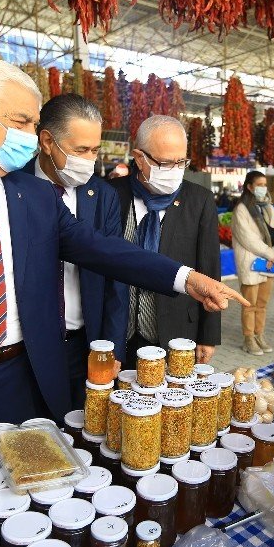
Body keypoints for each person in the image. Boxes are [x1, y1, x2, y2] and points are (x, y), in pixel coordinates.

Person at [0, 58, 246, 446]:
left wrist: (184, 278)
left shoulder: (34, 195)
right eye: (21, 121)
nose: (29, 134)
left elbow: (101, 249)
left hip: (25, 378)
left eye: (33, 123)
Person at [26, 93, 128, 410]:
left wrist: (110, 350)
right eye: (80, 149)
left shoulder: (103, 197)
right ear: (46, 141)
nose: (89, 159)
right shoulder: (14, 185)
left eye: (94, 150)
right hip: (27, 349)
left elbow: (116, 277)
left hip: (84, 343)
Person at [109, 115, 222, 368]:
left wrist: (209, 337)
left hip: (176, 331)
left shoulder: (199, 200)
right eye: (165, 163)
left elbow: (210, 269)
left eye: (181, 162)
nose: (174, 171)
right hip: (120, 334)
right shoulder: (112, 194)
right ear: (139, 158)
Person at [231, 171, 274, 355]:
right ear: (249, 187)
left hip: (268, 263)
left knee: (262, 304)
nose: (263, 188)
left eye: (264, 184)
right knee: (249, 304)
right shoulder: (241, 209)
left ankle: (259, 334)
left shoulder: (268, 207)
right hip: (251, 262)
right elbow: (248, 239)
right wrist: (269, 253)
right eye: (259, 184)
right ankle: (248, 338)